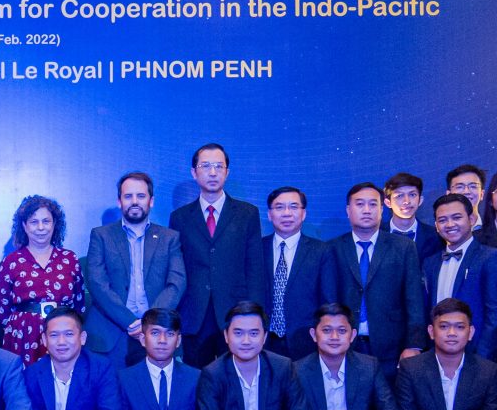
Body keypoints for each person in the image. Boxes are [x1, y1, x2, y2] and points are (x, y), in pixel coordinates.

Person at [170, 143, 265, 366]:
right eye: (205, 166)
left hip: (236, 314)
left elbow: (255, 268)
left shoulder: (247, 214)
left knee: (234, 377)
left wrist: (254, 315)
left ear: (227, 172)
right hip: (194, 315)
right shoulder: (179, 217)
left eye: (218, 166)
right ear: (194, 172)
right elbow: (176, 269)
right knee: (196, 379)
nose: (213, 172)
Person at [82, 171, 185, 366]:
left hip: (157, 332)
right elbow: (97, 283)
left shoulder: (169, 238)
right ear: (119, 201)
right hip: (110, 333)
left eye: (141, 196)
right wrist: (129, 321)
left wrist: (149, 322)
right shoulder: (101, 235)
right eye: (128, 196)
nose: (135, 201)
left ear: (151, 201)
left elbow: (177, 283)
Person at [316, 181, 425, 363]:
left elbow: (414, 298)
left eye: (373, 204)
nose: (367, 210)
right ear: (348, 210)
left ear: (382, 209)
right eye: (360, 204)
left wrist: (413, 345)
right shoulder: (332, 249)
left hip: (392, 347)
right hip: (344, 346)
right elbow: (328, 299)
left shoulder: (403, 247)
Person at [0, 194, 85, 362]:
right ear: (24, 226)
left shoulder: (69, 259)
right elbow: (1, 309)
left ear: (54, 224)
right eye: (34, 222)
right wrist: (22, 325)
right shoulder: (11, 262)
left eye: (46, 221)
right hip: (23, 337)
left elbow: (79, 304)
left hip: (62, 336)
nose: (41, 227)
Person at [420, 192, 497, 362]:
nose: (450, 224)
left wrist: (481, 359)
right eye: (442, 220)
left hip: (477, 356)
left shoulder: (490, 258)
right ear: (436, 226)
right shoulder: (430, 263)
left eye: (456, 217)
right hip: (437, 357)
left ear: (471, 219)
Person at [260, 185, 323, 359]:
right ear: (269, 214)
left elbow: (327, 300)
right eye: (279, 207)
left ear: (304, 214)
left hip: (306, 343)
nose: (287, 213)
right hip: (263, 341)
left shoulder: (321, 251)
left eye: (294, 207)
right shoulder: (256, 248)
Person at [381, 172, 437, 261]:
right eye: (399, 196)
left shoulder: (436, 236)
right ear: (388, 203)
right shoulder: (376, 234)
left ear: (420, 200)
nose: (406, 201)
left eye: (412, 195)